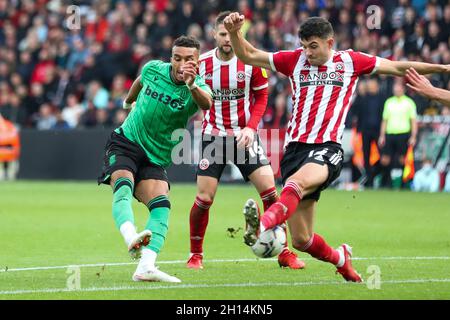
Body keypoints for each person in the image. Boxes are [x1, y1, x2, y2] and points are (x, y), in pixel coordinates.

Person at [223, 13, 450, 282]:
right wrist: (236, 33)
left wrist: (443, 69)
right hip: (295, 150)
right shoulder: (293, 60)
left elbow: (399, 67)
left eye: (313, 46)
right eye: (304, 46)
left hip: (327, 149)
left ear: (329, 42)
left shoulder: (350, 61)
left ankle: (262, 225)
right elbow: (249, 55)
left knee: (295, 184)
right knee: (301, 240)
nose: (307, 53)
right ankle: (341, 259)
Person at [187, 11, 304, 270]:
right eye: (222, 34)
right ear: (214, 35)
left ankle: (284, 252)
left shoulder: (252, 62)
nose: (227, 39)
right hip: (213, 137)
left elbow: (262, 98)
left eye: (231, 35)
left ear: (239, 35)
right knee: (204, 198)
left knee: (271, 193)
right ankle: (196, 255)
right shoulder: (202, 64)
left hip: (244, 137)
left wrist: (251, 128)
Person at [98, 36, 213, 283]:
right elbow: (139, 81)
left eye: (189, 60)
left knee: (162, 204)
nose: (182, 64)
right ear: (171, 58)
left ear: (197, 62)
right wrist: (128, 102)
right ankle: (130, 236)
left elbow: (208, 104)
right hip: (127, 141)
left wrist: (192, 86)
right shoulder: (153, 69)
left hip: (156, 157)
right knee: (123, 186)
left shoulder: (199, 86)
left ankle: (146, 266)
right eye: (177, 58)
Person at [378, 82, 417, 188]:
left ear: (403, 90)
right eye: (395, 89)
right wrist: (382, 135)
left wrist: (413, 136)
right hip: (390, 133)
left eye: (399, 89)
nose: (397, 91)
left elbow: (413, 121)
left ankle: (403, 183)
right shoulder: (389, 102)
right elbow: (384, 120)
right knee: (386, 159)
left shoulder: (409, 102)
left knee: (402, 159)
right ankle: (386, 182)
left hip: (403, 134)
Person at [0, 114, 20, 181]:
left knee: (12, 168)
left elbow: (15, 141)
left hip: (10, 151)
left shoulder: (10, 125)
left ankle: (11, 178)